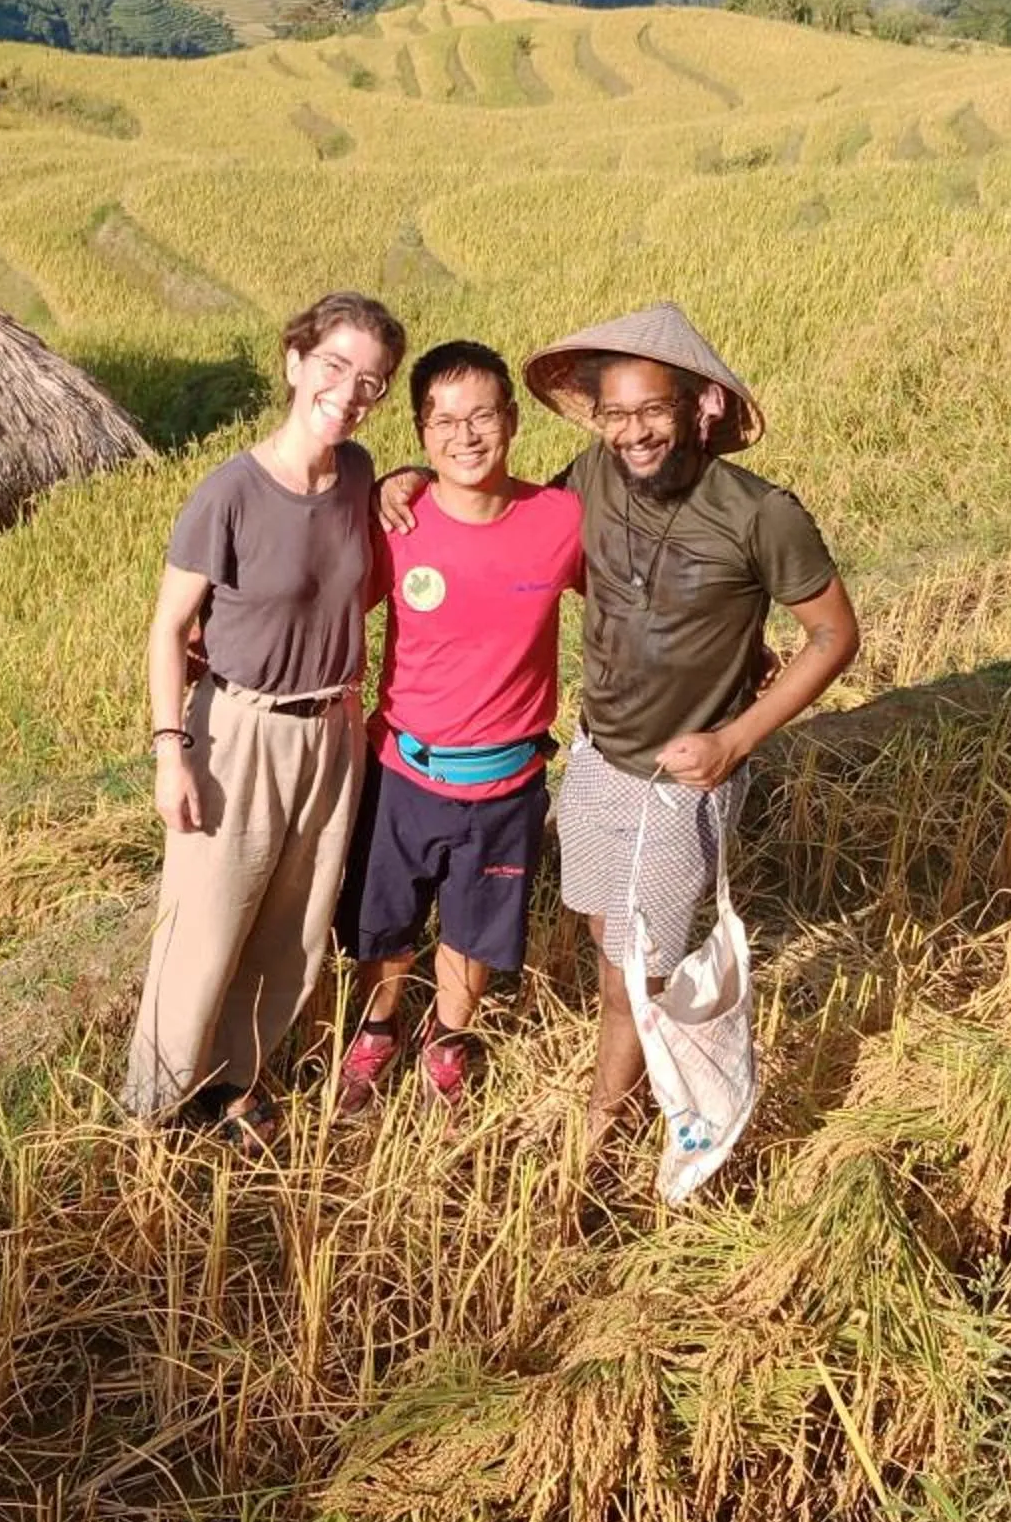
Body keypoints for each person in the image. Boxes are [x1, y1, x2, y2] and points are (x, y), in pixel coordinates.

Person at [379, 302, 858, 1144]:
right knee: (606, 929)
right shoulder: (592, 477)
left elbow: (834, 634)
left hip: (682, 778)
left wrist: (736, 738)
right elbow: (509, 522)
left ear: (699, 406)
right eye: (616, 413)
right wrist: (405, 480)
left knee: (627, 966)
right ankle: (646, 1057)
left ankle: (607, 1123)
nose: (634, 433)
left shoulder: (760, 512)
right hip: (598, 755)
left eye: (653, 411)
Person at [124, 290, 408, 1148]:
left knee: (294, 925)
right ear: (294, 363)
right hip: (236, 734)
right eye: (335, 367)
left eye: (372, 381)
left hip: (331, 733)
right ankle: (153, 1105)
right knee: (203, 930)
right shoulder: (231, 494)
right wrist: (171, 752)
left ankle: (233, 1083)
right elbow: (170, 628)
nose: (350, 391)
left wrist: (410, 479)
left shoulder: (359, 474)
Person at [334, 338, 584, 1111]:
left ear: (511, 420)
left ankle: (446, 1036)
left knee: (475, 931)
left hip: (509, 781)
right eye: (444, 421)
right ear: (420, 434)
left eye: (481, 416)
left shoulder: (561, 518)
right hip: (406, 771)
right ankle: (378, 1027)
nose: (465, 435)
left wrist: (742, 648)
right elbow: (326, 616)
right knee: (386, 921)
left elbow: (635, 595)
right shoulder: (397, 524)